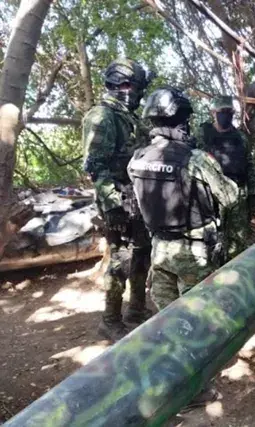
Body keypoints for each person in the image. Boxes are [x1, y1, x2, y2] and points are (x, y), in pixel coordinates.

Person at [128, 87, 239, 311]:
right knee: (200, 318)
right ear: (181, 120)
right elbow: (230, 196)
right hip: (193, 252)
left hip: (159, 251)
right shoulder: (194, 159)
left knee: (168, 320)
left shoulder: (137, 159)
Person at [82, 58, 154, 341]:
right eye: (132, 86)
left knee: (142, 255)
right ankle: (110, 319)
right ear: (119, 85)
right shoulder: (102, 116)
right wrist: (111, 203)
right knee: (120, 261)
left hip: (137, 198)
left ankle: (136, 309)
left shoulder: (129, 116)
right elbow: (94, 166)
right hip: (117, 201)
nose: (134, 92)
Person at [198, 95, 255, 260]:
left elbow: (249, 163)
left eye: (229, 111)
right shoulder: (203, 134)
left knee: (237, 241)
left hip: (237, 193)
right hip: (210, 196)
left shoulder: (240, 137)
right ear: (213, 112)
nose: (226, 114)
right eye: (222, 111)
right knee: (210, 238)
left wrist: (253, 190)